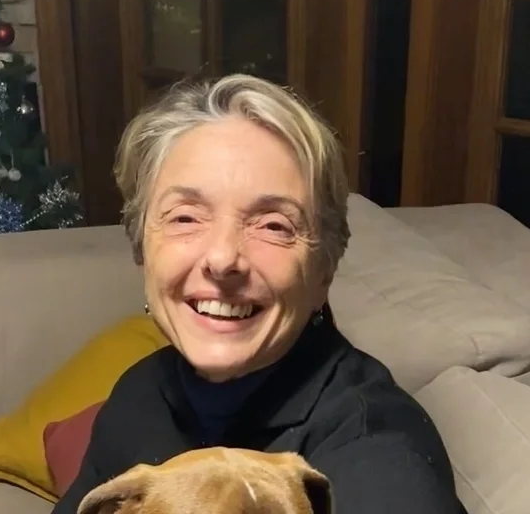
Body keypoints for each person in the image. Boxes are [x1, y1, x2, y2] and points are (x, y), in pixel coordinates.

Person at [52, 74, 465, 514]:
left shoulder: (379, 457)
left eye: (273, 225)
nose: (223, 257)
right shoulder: (141, 396)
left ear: (324, 270)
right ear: (142, 249)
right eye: (185, 217)